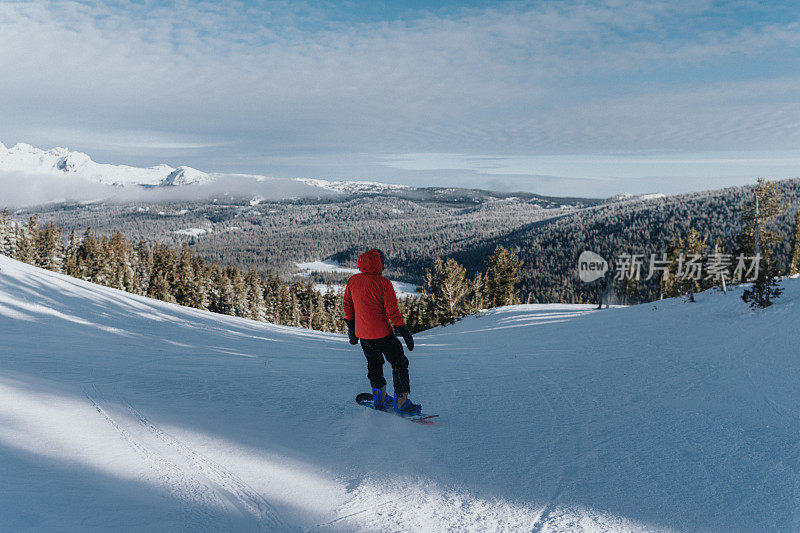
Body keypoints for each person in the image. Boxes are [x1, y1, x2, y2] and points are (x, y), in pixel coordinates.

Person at [343, 249, 419, 414]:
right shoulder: (383, 283)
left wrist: (351, 329)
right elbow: (393, 312)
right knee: (399, 363)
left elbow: (348, 306)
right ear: (379, 263)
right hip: (383, 334)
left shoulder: (352, 281)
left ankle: (380, 398)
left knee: (374, 364)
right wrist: (404, 332)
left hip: (363, 335)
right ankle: (401, 402)